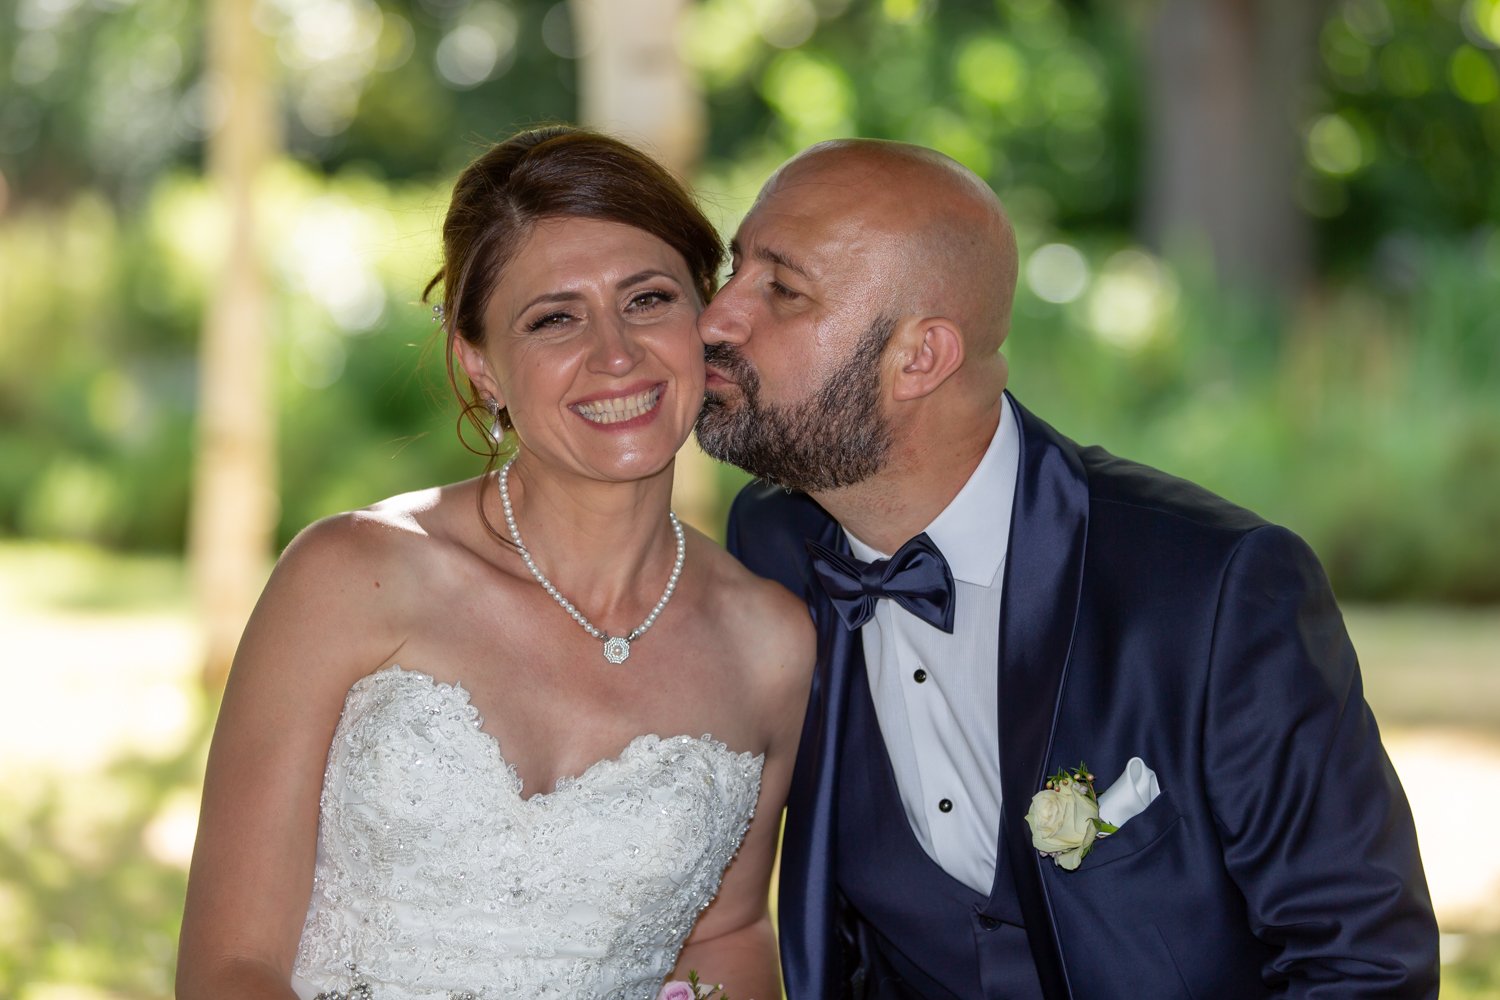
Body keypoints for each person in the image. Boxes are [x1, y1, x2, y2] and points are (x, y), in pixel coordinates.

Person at [696, 139, 1439, 999]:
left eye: (781, 290)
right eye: (735, 268)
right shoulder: (773, 544)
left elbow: (1363, 964)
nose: (716, 318)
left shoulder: (1216, 589)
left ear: (921, 357)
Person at [176, 126, 812, 1000]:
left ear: (705, 318)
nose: (616, 353)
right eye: (555, 318)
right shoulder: (351, 577)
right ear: (480, 366)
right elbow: (230, 964)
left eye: (649, 299)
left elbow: (728, 936)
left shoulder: (770, 642)